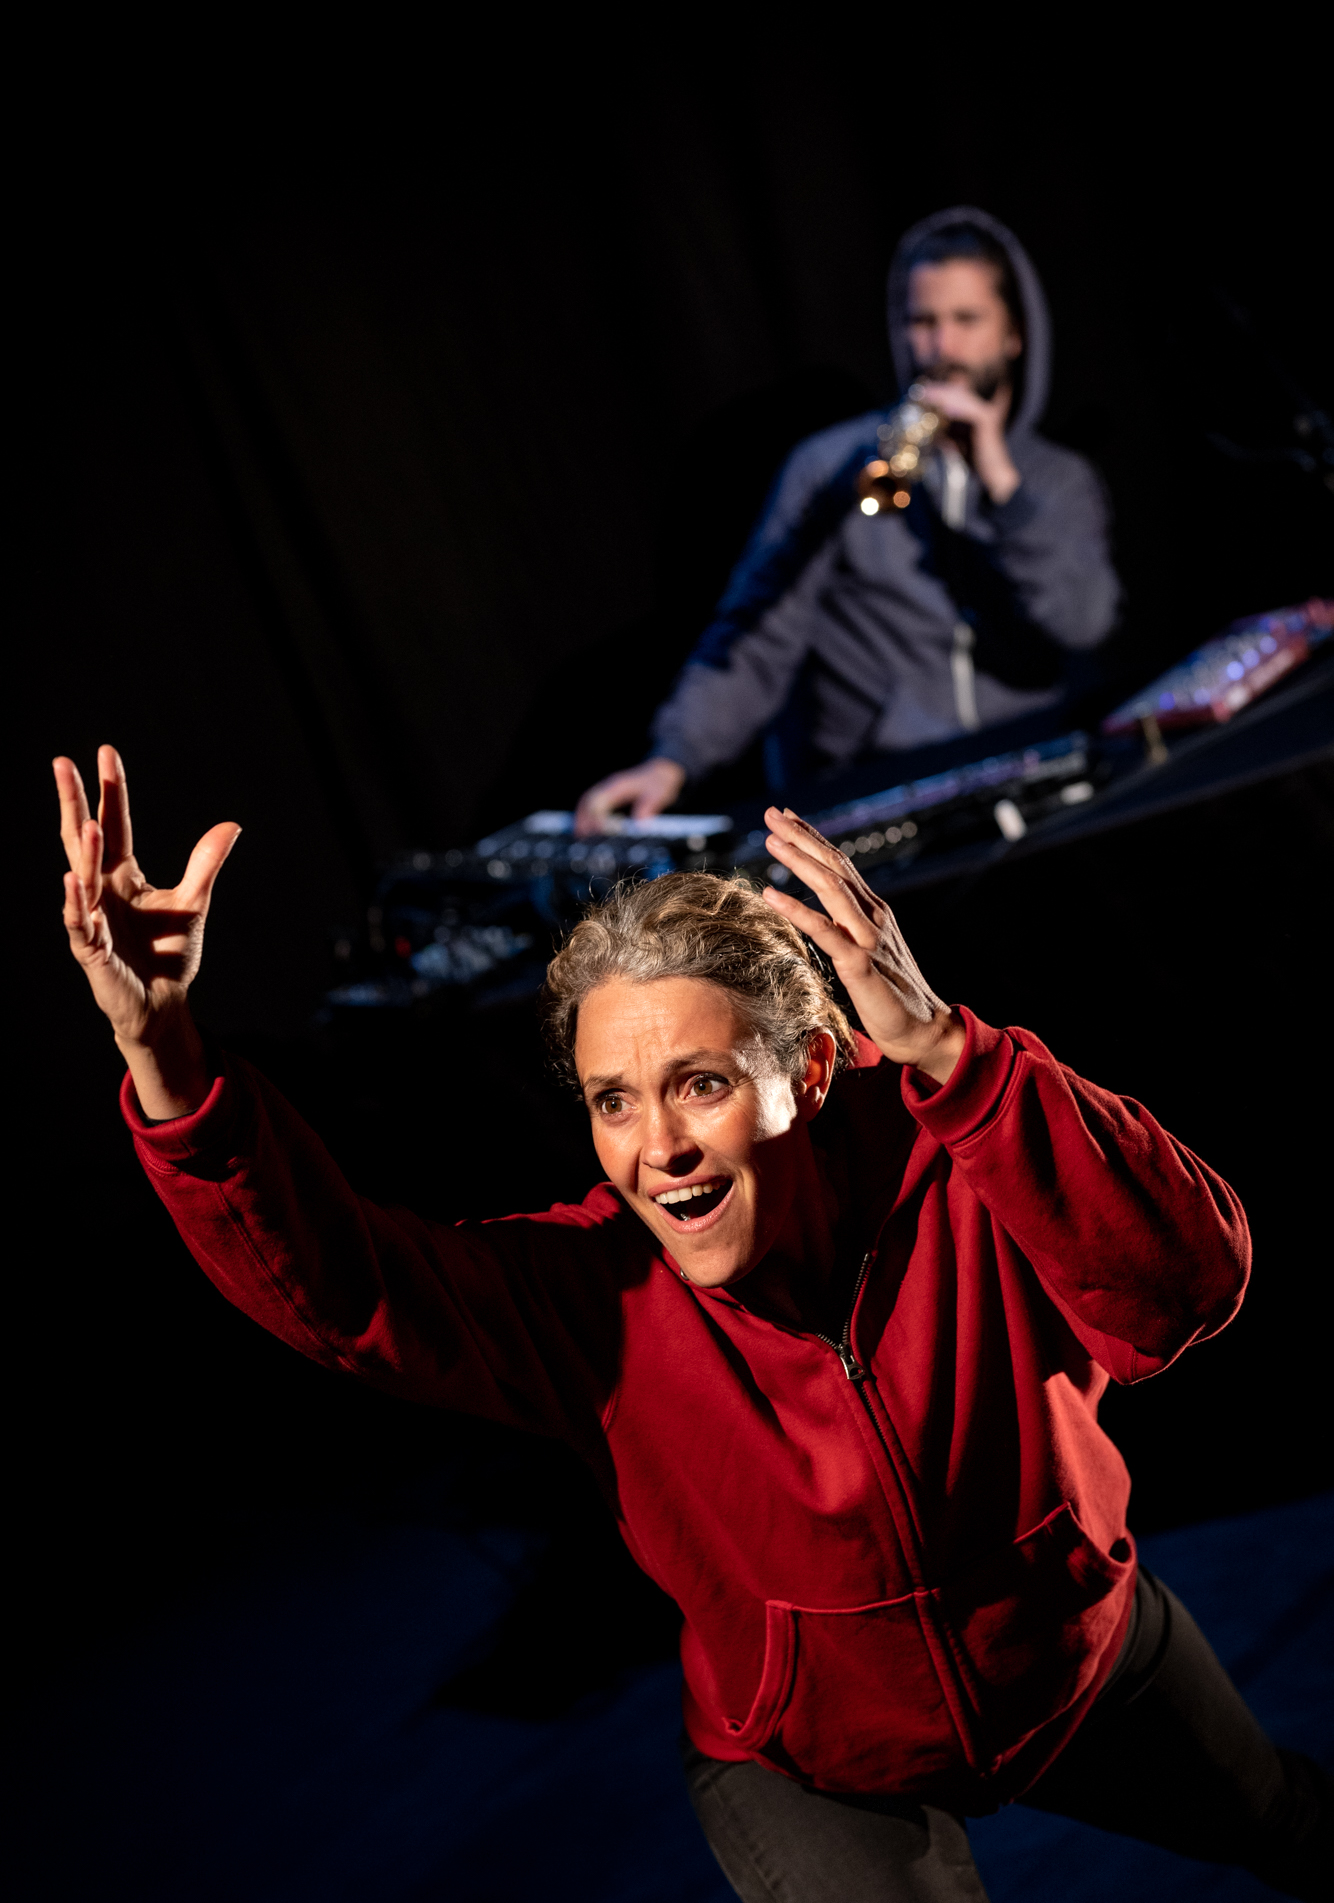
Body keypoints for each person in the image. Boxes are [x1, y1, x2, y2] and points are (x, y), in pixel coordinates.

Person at [54, 747, 1329, 1900]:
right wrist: (164, 1048)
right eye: (612, 1099)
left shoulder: (964, 1154)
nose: (655, 1146)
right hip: (811, 1760)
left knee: (1288, 1819)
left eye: (701, 1083)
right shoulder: (593, 1291)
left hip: (1074, 1662)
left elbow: (1185, 1285)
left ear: (808, 1070)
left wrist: (953, 1053)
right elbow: (347, 1292)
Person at [576, 206, 1121, 836]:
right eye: (923, 322)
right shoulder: (831, 466)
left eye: (967, 320)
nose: (942, 347)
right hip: (885, 797)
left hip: (1031, 783)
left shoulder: (1057, 480)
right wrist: (674, 758)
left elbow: (1083, 622)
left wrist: (1001, 480)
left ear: (1013, 335)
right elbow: (758, 634)